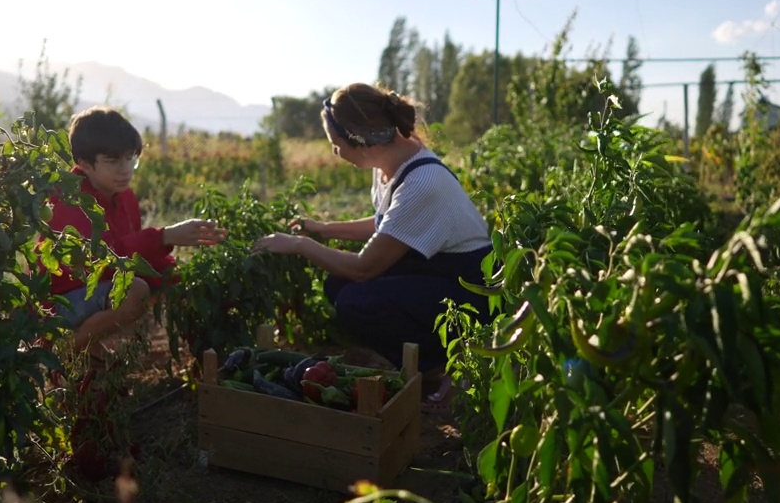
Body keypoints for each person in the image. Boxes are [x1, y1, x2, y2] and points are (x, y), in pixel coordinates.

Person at [251, 83, 493, 408]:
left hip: (470, 295)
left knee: (355, 301)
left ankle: (454, 362)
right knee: (338, 284)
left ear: (359, 139)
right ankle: (428, 361)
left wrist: (298, 244)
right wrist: (321, 229)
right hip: (437, 276)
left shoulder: (423, 182)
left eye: (336, 144)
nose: (336, 152)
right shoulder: (392, 165)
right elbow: (389, 225)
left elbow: (365, 268)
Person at [43, 106, 226, 360]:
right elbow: (106, 257)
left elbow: (136, 256)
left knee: (165, 281)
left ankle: (88, 351)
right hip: (59, 302)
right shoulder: (69, 199)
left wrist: (182, 278)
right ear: (84, 163)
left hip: (91, 290)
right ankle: (64, 349)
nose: (125, 169)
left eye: (131, 158)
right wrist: (164, 236)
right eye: (113, 161)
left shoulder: (124, 196)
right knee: (134, 292)